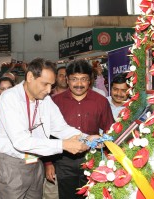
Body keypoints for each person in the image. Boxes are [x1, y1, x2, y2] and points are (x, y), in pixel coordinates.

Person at [0, 57, 98, 199]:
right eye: (45, 84)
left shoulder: (45, 99)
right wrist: (63, 145)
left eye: (51, 85)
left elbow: (61, 128)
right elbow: (21, 142)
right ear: (30, 77)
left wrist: (86, 137)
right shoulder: (10, 98)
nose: (49, 90)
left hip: (36, 162)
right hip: (13, 165)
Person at [45, 59, 114, 199]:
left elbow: (110, 130)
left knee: (92, 195)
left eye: (83, 79)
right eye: (74, 79)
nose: (79, 84)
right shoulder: (54, 102)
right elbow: (46, 133)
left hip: (91, 158)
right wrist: (48, 163)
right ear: (67, 80)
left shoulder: (100, 101)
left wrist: (108, 157)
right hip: (63, 160)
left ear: (90, 81)